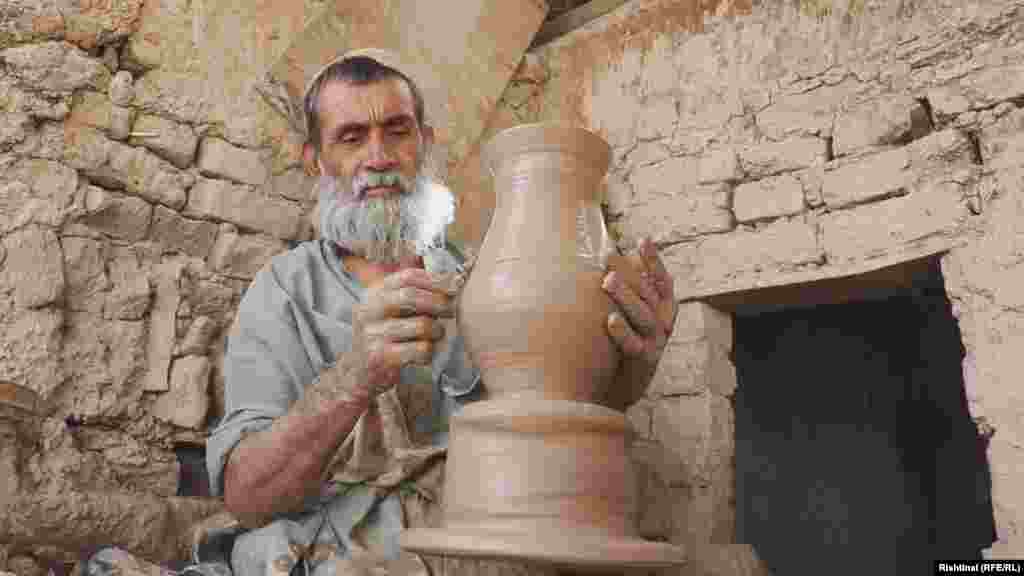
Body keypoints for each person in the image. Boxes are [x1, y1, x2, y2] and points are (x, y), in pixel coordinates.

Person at [202, 48, 679, 576]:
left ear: (425, 144)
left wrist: (635, 361)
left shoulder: (485, 282)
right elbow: (247, 497)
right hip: (338, 547)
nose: (379, 156)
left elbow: (560, 425)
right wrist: (354, 375)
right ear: (315, 160)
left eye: (398, 131)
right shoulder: (283, 292)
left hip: (478, 542)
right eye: (352, 136)